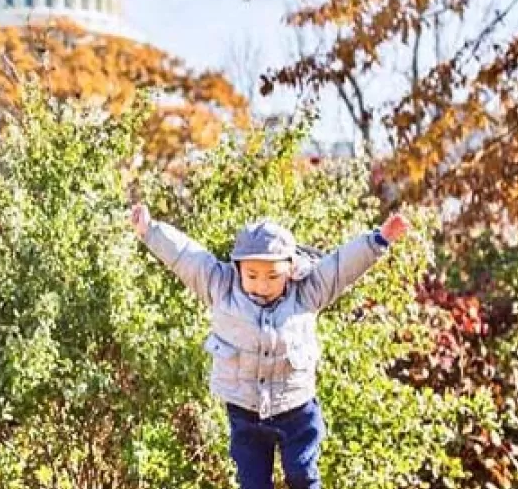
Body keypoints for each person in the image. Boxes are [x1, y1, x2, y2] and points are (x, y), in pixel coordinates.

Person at [130, 203, 409, 489]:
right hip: (245, 411)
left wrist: (378, 240)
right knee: (252, 483)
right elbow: (186, 256)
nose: (262, 285)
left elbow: (339, 267)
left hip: (296, 407)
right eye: (252, 275)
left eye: (272, 276)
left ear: (290, 269)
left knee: (302, 474)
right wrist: (150, 231)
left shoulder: (307, 292)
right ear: (238, 268)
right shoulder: (220, 286)